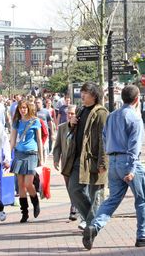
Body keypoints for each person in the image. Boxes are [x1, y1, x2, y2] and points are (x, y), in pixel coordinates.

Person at [83, 85, 145, 250]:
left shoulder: (112, 116)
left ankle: (94, 226)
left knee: (112, 199)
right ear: (137, 99)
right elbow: (134, 146)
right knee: (142, 199)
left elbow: (104, 138)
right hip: (128, 161)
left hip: (114, 160)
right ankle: (143, 235)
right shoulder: (135, 118)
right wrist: (131, 169)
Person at [62, 82, 108, 231]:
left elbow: (104, 139)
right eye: (81, 92)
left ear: (94, 96)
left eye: (85, 93)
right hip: (78, 158)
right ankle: (93, 220)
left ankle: (91, 225)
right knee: (74, 189)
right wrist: (71, 123)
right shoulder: (81, 110)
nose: (82, 95)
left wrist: (103, 162)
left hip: (93, 159)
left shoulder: (101, 113)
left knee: (96, 195)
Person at [10, 100, 44, 223]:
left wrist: (42, 159)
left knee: (29, 183)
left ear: (28, 108)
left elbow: (39, 140)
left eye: (24, 108)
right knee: (20, 185)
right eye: (20, 108)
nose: (22, 110)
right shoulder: (17, 122)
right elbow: (12, 139)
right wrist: (8, 156)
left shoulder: (35, 121)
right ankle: (24, 212)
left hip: (31, 154)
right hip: (19, 154)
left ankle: (35, 202)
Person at [53, 104, 78, 222]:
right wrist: (56, 159)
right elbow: (57, 145)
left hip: (77, 163)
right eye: (69, 113)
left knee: (75, 186)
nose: (70, 116)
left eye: (73, 113)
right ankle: (74, 204)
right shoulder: (62, 127)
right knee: (69, 186)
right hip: (65, 163)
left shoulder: (80, 127)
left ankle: (74, 207)